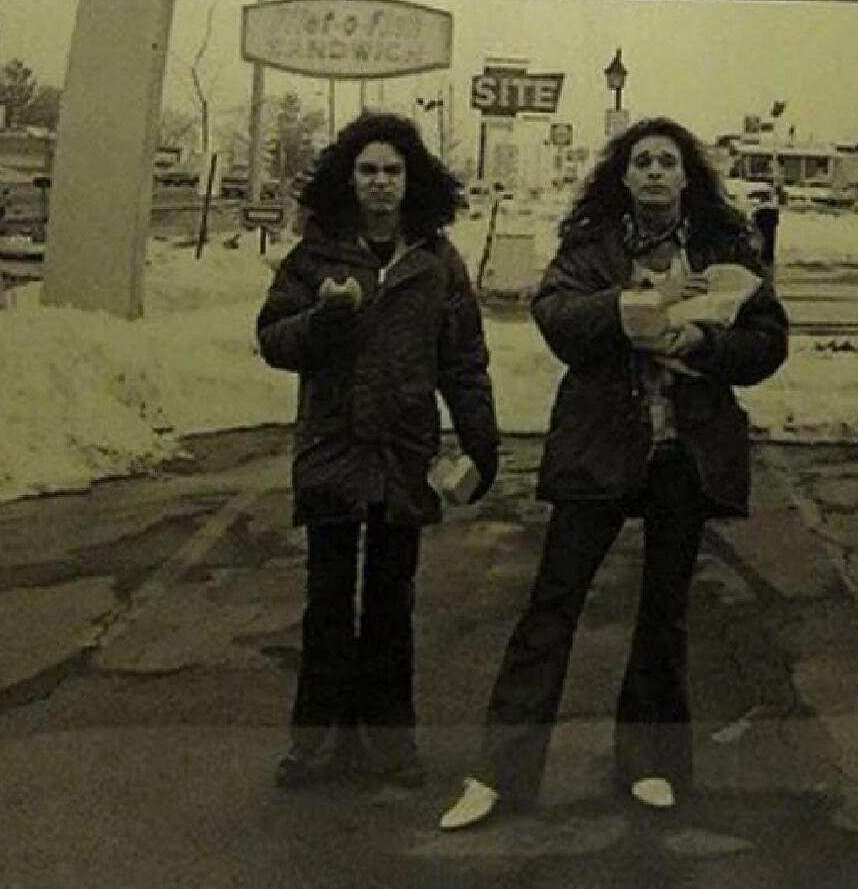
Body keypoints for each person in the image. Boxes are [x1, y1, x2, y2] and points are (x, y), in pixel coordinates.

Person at [441, 116, 789, 829]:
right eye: (642, 161)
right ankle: (499, 775)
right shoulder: (591, 245)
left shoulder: (725, 247)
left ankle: (651, 762)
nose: (656, 171)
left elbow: (769, 338)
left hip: (682, 450)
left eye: (667, 161)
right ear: (623, 177)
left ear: (686, 176)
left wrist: (704, 338)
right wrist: (628, 305)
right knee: (552, 603)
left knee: (664, 612)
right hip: (599, 442)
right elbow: (556, 316)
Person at [257, 110, 499, 791]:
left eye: (393, 170)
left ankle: (391, 744)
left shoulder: (437, 260)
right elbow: (275, 337)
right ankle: (315, 746)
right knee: (328, 601)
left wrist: (481, 438)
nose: (381, 183)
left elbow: (465, 360)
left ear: (411, 179)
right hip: (333, 446)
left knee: (393, 601)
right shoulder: (316, 253)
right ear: (348, 177)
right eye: (368, 170)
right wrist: (325, 319)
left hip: (403, 452)